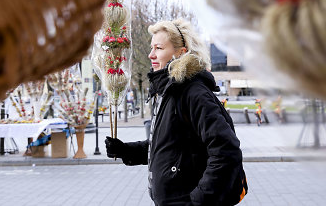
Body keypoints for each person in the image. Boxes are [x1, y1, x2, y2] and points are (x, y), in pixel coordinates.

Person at [105, 19, 247, 205]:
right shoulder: (167, 91)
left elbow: (226, 151)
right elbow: (169, 147)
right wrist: (126, 150)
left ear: (181, 52)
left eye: (159, 48)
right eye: (152, 48)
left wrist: (198, 201)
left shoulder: (194, 93)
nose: (150, 55)